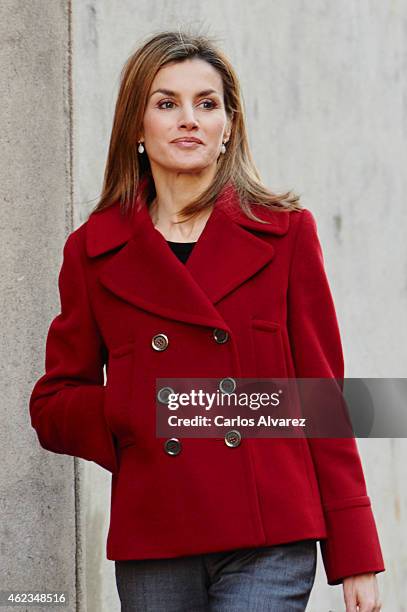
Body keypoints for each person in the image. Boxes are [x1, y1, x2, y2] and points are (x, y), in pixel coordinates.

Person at [29, 30, 385, 611]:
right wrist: (135, 408)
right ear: (137, 128)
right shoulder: (93, 252)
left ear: (228, 126)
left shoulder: (286, 234)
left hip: (271, 533)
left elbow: (323, 397)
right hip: (157, 532)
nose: (188, 119)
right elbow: (53, 403)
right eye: (166, 103)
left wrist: (357, 555)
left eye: (206, 103)